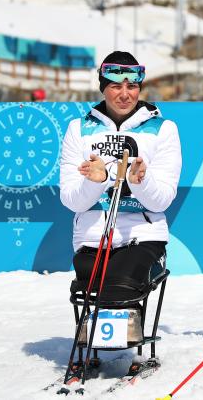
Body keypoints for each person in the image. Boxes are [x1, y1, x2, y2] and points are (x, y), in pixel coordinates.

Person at [59, 50, 182, 304]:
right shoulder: (78, 129)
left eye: (133, 86)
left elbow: (161, 202)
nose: (125, 94)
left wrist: (142, 182)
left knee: (118, 286)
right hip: (92, 240)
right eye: (115, 86)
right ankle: (96, 343)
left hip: (143, 238)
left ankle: (120, 339)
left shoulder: (164, 130)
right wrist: (95, 181)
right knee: (88, 289)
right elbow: (73, 202)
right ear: (103, 88)